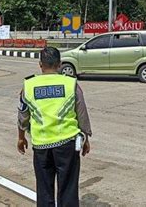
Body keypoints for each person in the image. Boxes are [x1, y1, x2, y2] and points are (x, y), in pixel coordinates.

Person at [17, 47, 92, 207]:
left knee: (44, 190)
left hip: (41, 146)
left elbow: (22, 115)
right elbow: (82, 113)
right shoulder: (70, 83)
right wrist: (86, 138)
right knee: (68, 188)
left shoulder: (29, 85)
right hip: (67, 144)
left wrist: (21, 137)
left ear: (40, 65)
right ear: (59, 65)